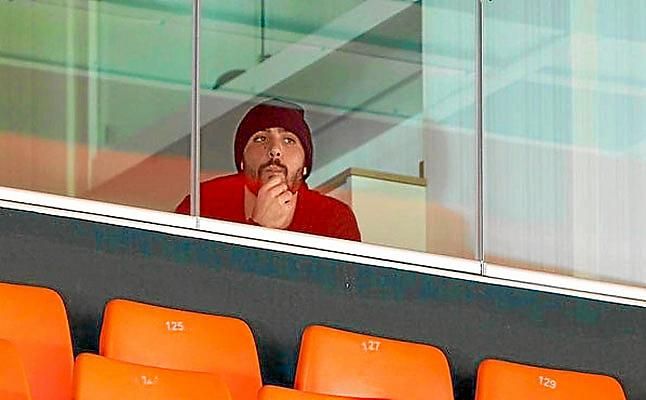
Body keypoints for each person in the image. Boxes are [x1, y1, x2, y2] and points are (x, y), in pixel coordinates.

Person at [176, 98, 361, 241]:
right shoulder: (203, 204)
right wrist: (259, 228)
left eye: (289, 140)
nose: (275, 150)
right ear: (241, 161)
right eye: (260, 139)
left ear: (305, 165)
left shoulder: (332, 217)